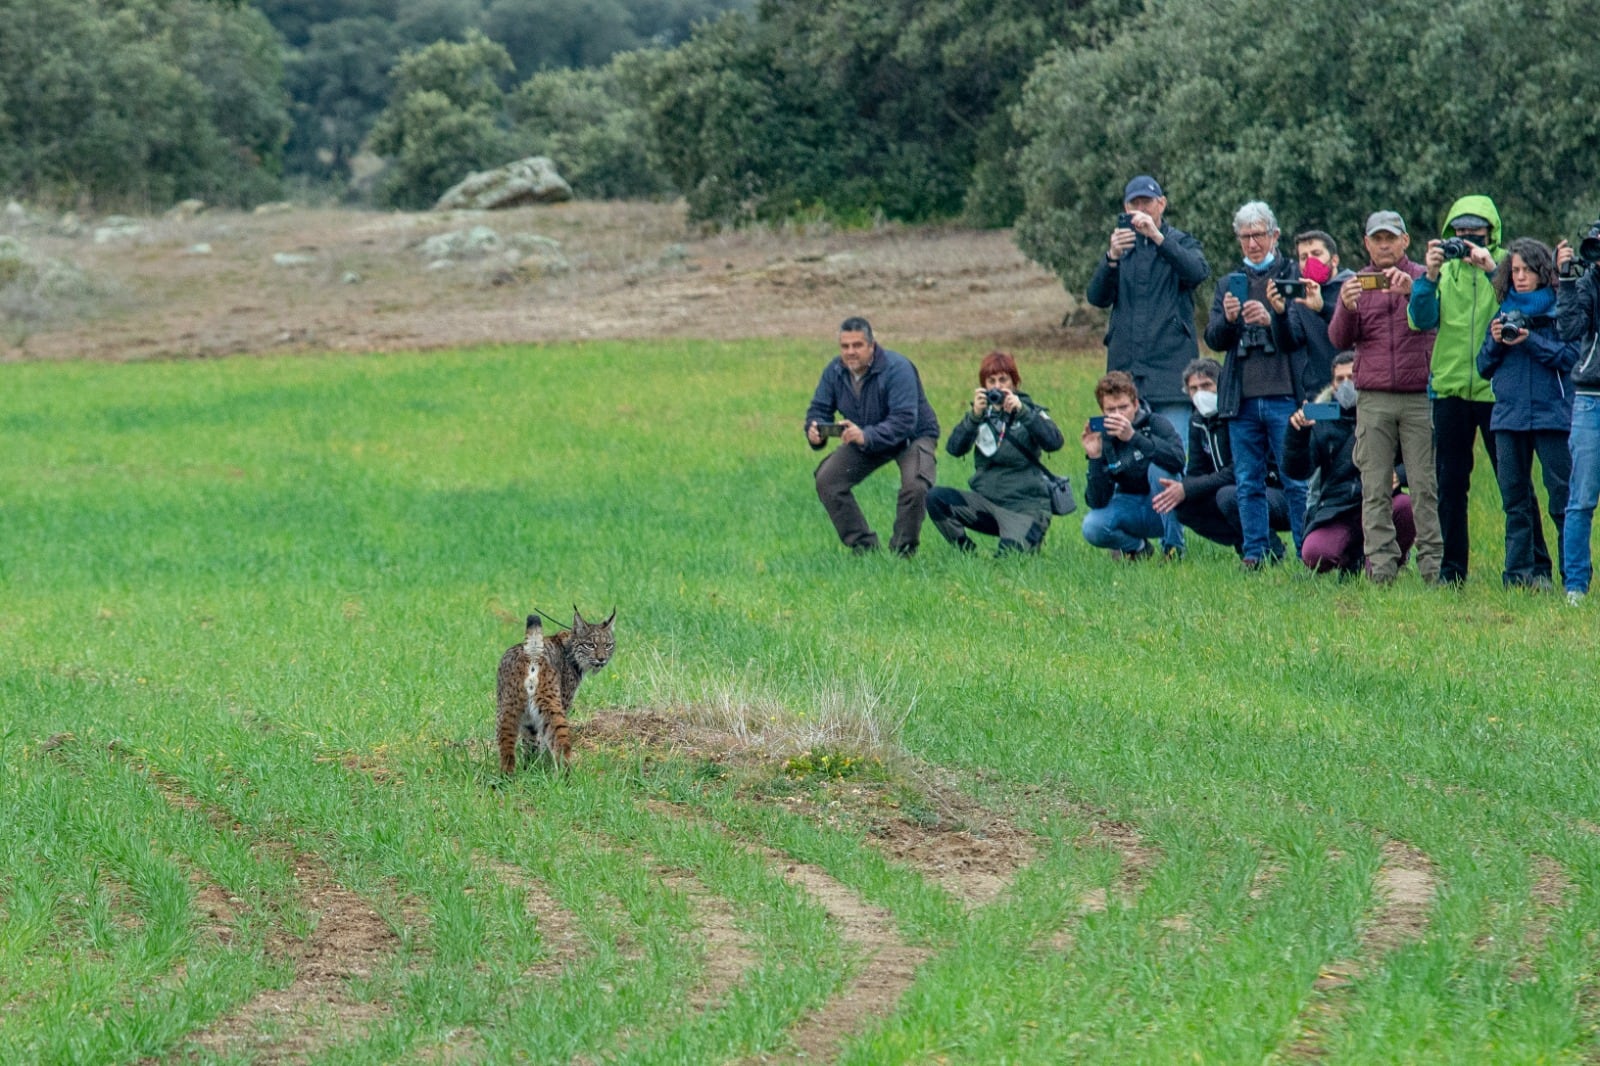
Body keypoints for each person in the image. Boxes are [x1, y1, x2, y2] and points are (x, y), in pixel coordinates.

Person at [1328, 210, 1442, 584]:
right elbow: (1339, 341)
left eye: (1391, 237)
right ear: (1367, 244)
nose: (1384, 244)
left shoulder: (1425, 279)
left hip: (1418, 395)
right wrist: (1344, 305)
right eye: (1377, 238)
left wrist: (1414, 289)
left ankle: (1433, 568)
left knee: (1425, 485)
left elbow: (1437, 321)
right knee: (1374, 486)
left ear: (1405, 241)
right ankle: (1380, 568)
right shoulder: (1357, 284)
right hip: (1373, 396)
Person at [1408, 195, 1515, 586]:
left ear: (1492, 234)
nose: (1468, 242)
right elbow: (1420, 320)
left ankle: (1526, 566)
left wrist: (1492, 271)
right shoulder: (1443, 273)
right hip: (1450, 388)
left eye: (1477, 235)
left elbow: (1518, 305)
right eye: (1460, 234)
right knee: (1450, 484)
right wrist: (1429, 276)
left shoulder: (1506, 265)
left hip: (1495, 389)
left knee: (1512, 481)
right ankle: (1452, 572)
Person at [1203, 201, 1308, 570]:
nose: (1252, 243)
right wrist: (1230, 320)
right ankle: (1255, 553)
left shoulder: (1291, 278)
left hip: (1284, 395)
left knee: (1296, 479)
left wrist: (1271, 318)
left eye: (1258, 235)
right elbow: (1214, 339)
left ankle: (1305, 551)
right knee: (1248, 481)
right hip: (1241, 399)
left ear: (1275, 236)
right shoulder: (1228, 284)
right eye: (1245, 236)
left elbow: (1297, 335)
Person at [1475, 238, 1577, 591]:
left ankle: (1572, 577)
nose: (1520, 277)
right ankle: (1520, 576)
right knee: (1514, 500)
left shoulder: (1561, 311)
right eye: (1514, 270)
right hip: (1508, 417)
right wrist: (1494, 340)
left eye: (1528, 270)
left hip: (1553, 416)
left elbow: (1570, 359)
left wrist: (1529, 339)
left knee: (1561, 500)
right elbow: (1482, 368)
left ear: (1543, 272)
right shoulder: (1503, 311)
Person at [1085, 175, 1211, 448]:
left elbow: (1197, 273)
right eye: (1134, 204)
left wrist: (1157, 238)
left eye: (1147, 202)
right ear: (1125, 208)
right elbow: (1097, 297)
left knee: (1170, 456)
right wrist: (1111, 258)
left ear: (1162, 204)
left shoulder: (1181, 242)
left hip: (1171, 370)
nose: (1141, 209)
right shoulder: (1120, 248)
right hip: (1126, 372)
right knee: (1127, 460)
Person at [805, 316, 939, 556]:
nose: (850, 352)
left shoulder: (898, 369)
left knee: (915, 485)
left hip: (913, 436)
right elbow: (819, 409)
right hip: (865, 437)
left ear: (872, 346)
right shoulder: (834, 371)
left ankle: (903, 550)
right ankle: (863, 547)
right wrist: (815, 431)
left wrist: (866, 435)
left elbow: (905, 420)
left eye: (857, 345)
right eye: (845, 346)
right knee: (828, 479)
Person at [1285, 352, 1416, 574]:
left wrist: (1398, 475)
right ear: (1333, 385)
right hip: (1338, 508)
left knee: (1407, 507)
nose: (1347, 384)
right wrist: (1297, 435)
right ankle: (1350, 559)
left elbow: (1417, 458)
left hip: (1380, 502)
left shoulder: (1388, 412)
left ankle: (1391, 560)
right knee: (1315, 553)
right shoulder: (1320, 418)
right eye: (1340, 379)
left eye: (1352, 377)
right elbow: (1298, 470)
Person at [926, 350, 1065, 555]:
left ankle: (1026, 537)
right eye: (991, 381)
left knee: (1009, 560)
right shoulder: (981, 416)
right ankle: (967, 555)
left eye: (1003, 380)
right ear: (984, 386)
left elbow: (1054, 442)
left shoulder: (1031, 412)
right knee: (936, 498)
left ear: (1015, 384)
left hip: (1025, 507)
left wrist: (1024, 413)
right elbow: (954, 449)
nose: (998, 386)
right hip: (987, 504)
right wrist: (974, 417)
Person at [1151, 357, 1289, 557]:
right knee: (1184, 505)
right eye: (1194, 389)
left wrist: (1187, 487)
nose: (1200, 394)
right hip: (1230, 491)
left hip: (1272, 493)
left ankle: (1267, 548)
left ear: (1223, 385)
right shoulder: (1198, 422)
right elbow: (1196, 471)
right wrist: (1181, 490)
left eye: (1206, 385)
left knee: (1229, 496)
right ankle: (1247, 543)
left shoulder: (1243, 417)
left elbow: (1240, 471)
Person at [1080, 371, 1187, 561]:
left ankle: (1173, 550)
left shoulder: (1155, 423)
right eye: (1111, 410)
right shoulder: (1104, 436)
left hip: (1167, 507)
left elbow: (1178, 460)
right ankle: (1137, 548)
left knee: (1159, 469)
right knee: (1092, 526)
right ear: (1102, 411)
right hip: (1130, 506)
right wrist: (1095, 457)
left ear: (1136, 404)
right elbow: (1097, 501)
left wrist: (1133, 437)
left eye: (1123, 407)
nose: (1118, 415)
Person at [1556, 228, 1600, 604]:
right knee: (1582, 497)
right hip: (1590, 397)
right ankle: (1576, 586)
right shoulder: (1587, 282)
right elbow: (1569, 329)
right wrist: (1568, 282)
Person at [1272, 229, 1356, 399]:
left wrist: (1322, 308)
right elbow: (1289, 344)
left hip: (1357, 386)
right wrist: (1280, 314)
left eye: (1316, 254)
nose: (1310, 261)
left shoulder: (1352, 287)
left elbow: (1356, 331)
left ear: (1334, 260)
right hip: (1320, 393)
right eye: (1304, 257)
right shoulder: (1301, 298)